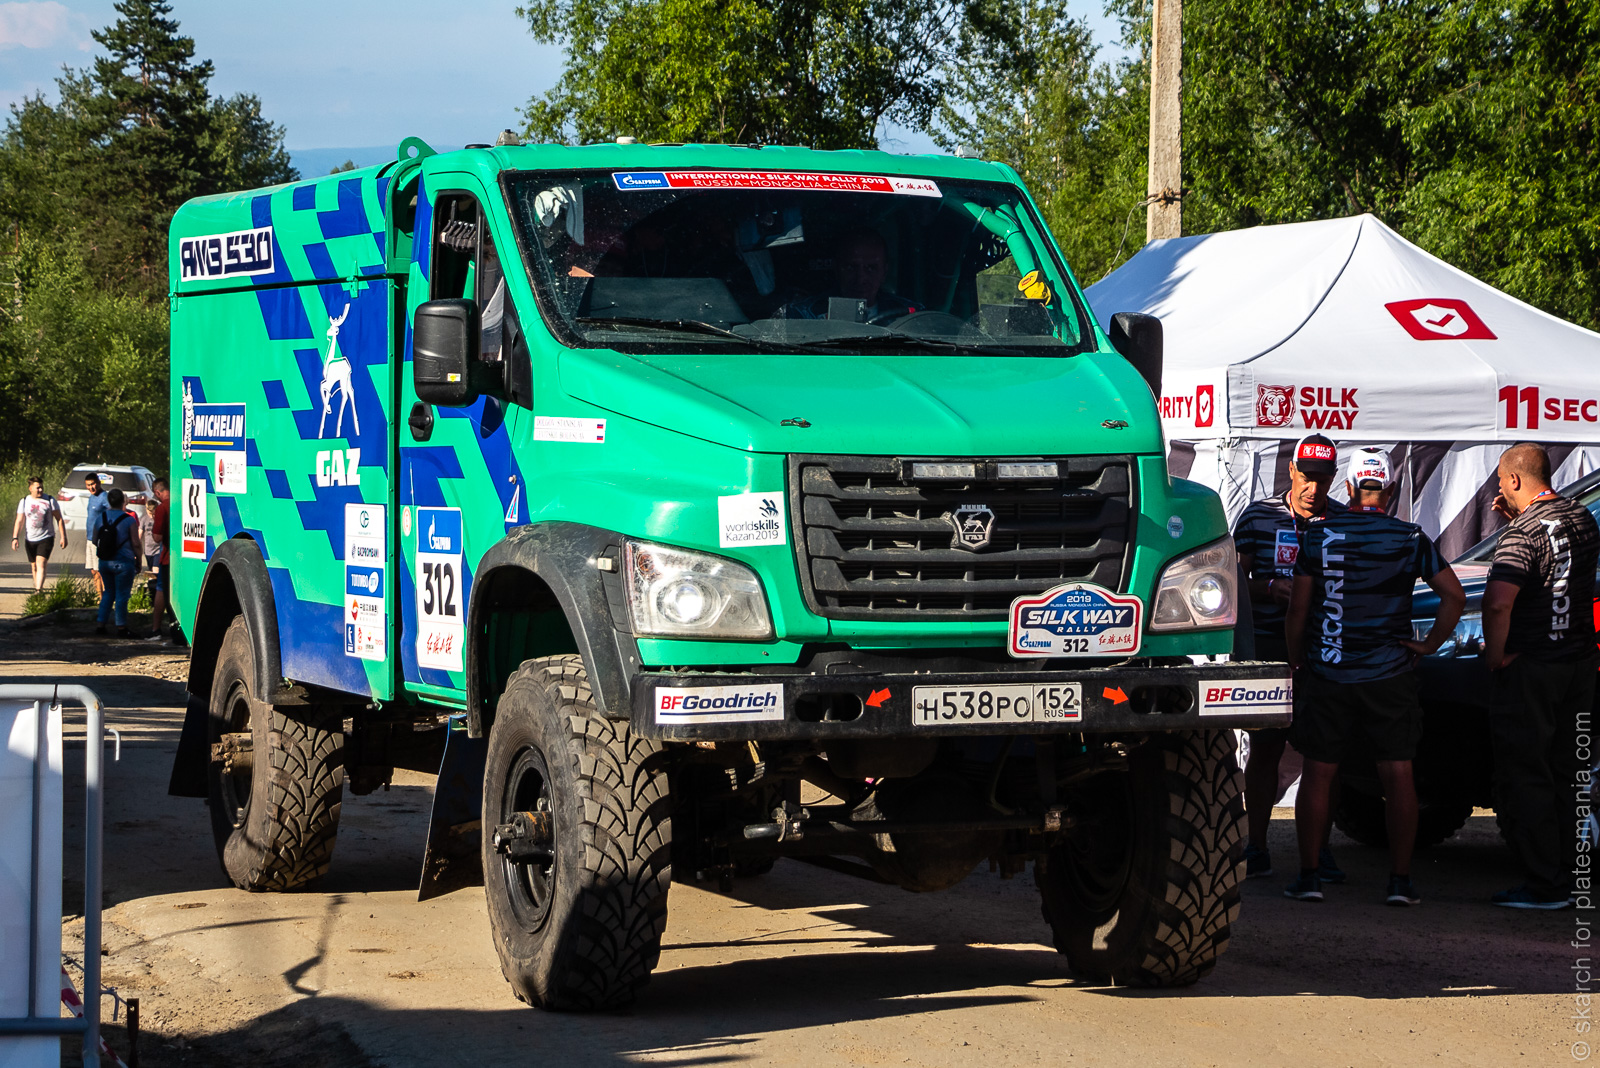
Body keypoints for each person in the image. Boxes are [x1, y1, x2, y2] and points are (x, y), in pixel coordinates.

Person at [1285, 446, 1465, 906]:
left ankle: (1309, 878)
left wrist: (1297, 661)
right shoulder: (1409, 538)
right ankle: (1400, 882)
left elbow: (1298, 611)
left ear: (1347, 487)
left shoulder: (1318, 535)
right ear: (1387, 487)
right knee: (1398, 774)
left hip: (1328, 669)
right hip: (1390, 672)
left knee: (1320, 773)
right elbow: (1455, 598)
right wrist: (1429, 645)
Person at [1481, 442, 1600, 909]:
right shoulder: (1582, 518)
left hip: (1533, 667)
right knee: (1570, 772)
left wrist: (1494, 655)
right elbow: (1561, 567)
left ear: (1513, 480)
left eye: (1500, 483)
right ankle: (1573, 877)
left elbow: (1497, 601)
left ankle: (1544, 885)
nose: (1499, 491)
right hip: (1578, 665)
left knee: (1526, 773)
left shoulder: (1522, 534)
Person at [1232, 433, 1341, 881]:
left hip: (1321, 650)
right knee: (1266, 747)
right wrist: (1267, 588)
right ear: (1292, 471)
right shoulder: (1258, 516)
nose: (1314, 488)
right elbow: (1232, 581)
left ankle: (1321, 850)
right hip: (1269, 647)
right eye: (1307, 477)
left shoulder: (1342, 521)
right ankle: (1255, 844)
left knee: (1324, 752)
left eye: (1323, 478)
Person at [781, 231, 915, 324]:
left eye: (871, 268)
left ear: (884, 273)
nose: (861, 278)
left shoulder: (910, 316)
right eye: (851, 267)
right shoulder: (804, 316)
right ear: (837, 269)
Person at [93, 487, 142, 638]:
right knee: (122, 595)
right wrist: (138, 560)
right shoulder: (129, 519)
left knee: (108, 593)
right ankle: (121, 627)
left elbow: (95, 540)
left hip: (105, 562)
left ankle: (100, 624)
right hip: (123, 562)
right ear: (123, 501)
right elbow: (135, 543)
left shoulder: (101, 517)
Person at [11, 476, 68, 592]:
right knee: (34, 566)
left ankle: (38, 590)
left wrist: (63, 537)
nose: (40, 490)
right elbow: (19, 520)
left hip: (46, 537)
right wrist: (15, 537)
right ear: (30, 488)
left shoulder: (50, 500)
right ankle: (37, 586)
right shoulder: (24, 502)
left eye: (41, 487)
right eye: (38, 488)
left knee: (41, 563)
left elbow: (59, 519)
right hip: (30, 538)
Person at [145, 478, 172, 641]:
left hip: (167, 556)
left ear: (157, 492)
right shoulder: (181, 502)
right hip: (186, 556)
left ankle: (156, 629)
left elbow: (156, 537)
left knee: (161, 590)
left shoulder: (162, 508)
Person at [82, 471, 109, 596]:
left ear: (98, 483)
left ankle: (107, 596)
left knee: (101, 570)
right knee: (93, 570)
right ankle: (99, 597)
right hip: (90, 538)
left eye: (93, 484)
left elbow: (112, 514)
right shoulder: (92, 497)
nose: (91, 487)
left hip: (100, 539)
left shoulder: (104, 497)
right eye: (88, 485)